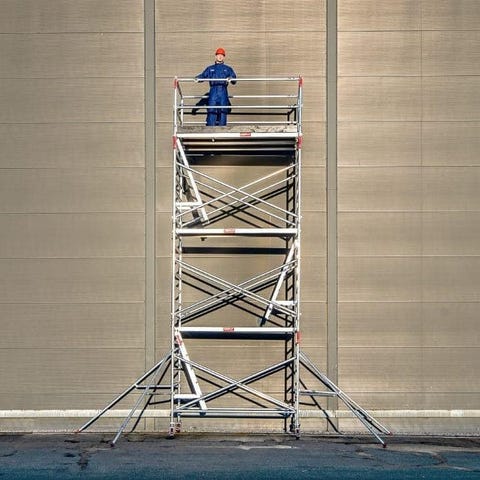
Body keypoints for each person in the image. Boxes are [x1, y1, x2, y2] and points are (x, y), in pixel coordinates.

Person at [196, 48, 236, 126]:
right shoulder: (210, 68)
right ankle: (211, 130)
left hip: (223, 91)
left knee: (223, 111)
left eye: (222, 55)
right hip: (213, 91)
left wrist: (231, 78)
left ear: (224, 57)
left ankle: (222, 130)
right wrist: (197, 78)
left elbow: (234, 78)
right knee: (211, 110)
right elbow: (203, 76)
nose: (220, 56)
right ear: (215, 56)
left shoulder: (227, 69)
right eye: (218, 55)